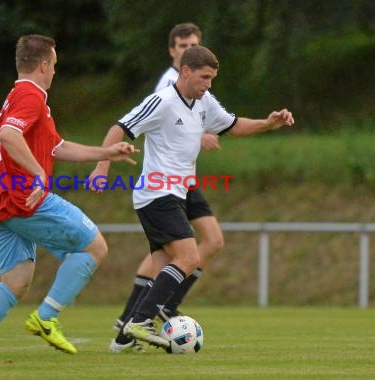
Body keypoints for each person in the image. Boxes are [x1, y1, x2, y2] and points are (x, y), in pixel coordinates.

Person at [0, 34, 137, 362]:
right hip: (24, 197)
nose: (55, 73)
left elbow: (57, 147)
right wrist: (38, 173)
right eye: (55, 66)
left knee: (16, 282)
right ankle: (46, 318)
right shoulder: (31, 96)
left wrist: (106, 152)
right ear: (44, 65)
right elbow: (9, 135)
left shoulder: (21, 96)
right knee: (94, 247)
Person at [90, 45, 294, 350]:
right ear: (186, 72)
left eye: (211, 78)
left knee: (163, 264)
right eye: (204, 77)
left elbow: (233, 125)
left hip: (177, 194)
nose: (209, 83)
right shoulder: (162, 101)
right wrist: (101, 166)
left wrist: (268, 123)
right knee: (189, 257)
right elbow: (119, 128)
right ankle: (141, 321)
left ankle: (122, 339)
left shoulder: (203, 101)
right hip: (157, 194)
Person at [110, 23, 225, 335]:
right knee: (170, 254)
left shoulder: (201, 83)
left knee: (209, 242)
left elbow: (206, 118)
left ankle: (158, 306)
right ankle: (141, 313)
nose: (189, 48)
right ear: (173, 51)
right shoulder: (168, 86)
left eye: (194, 43)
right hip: (164, 182)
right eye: (183, 45)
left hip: (185, 181)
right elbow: (155, 121)